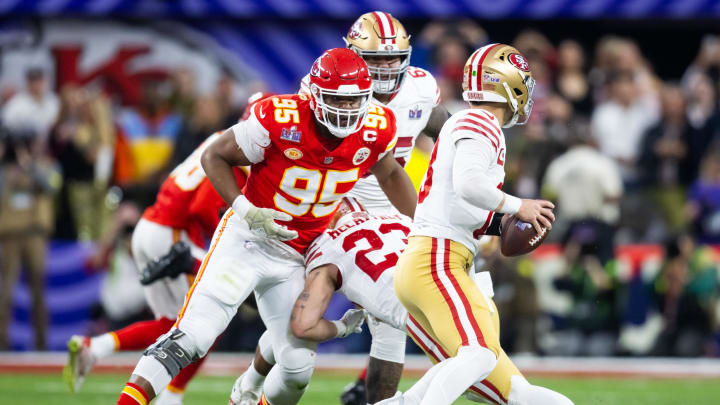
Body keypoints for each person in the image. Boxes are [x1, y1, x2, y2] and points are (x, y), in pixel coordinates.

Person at [115, 48, 417, 405]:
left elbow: (392, 172)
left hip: (296, 255)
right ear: (316, 94)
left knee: (296, 371)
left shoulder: (377, 126)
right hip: (248, 240)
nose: (347, 110)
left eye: (355, 101)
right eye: (338, 99)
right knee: (193, 336)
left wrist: (420, 225)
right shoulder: (279, 116)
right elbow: (215, 155)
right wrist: (246, 210)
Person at [259, 12, 445, 404]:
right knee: (297, 313)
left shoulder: (422, 88)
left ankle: (375, 400)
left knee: (391, 322)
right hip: (336, 201)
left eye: (392, 58)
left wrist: (469, 147)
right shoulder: (329, 89)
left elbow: (440, 126)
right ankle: (252, 378)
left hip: (394, 207)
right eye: (375, 59)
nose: (386, 67)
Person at [232, 197, 573, 405]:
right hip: (468, 291)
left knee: (509, 392)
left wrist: (342, 327)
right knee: (513, 390)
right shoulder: (396, 218)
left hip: (428, 309)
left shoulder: (325, 250)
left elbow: (302, 324)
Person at [390, 43, 556, 405]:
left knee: (518, 394)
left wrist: (501, 225)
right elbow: (469, 184)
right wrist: (519, 205)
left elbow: (460, 203)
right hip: (437, 261)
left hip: (434, 260)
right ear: (508, 83)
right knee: (478, 354)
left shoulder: (468, 122)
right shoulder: (481, 121)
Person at [64, 131, 247, 405]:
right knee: (209, 320)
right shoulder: (240, 153)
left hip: (152, 226)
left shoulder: (221, 138)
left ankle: (94, 347)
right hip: (174, 234)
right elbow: (201, 207)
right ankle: (172, 396)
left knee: (170, 323)